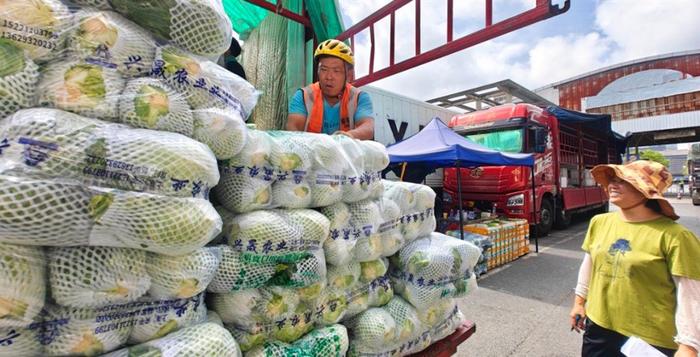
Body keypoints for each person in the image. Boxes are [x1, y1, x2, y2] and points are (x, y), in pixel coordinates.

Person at [569, 160, 700, 357]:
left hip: (650, 340)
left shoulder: (675, 236)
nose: (613, 185)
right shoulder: (599, 222)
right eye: (612, 180)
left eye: (624, 181)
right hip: (599, 326)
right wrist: (579, 302)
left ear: (646, 190)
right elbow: (589, 265)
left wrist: (689, 345)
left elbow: (690, 294)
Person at [286, 39, 374, 140]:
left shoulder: (359, 98)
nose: (329, 77)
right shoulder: (303, 96)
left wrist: (349, 136)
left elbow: (368, 127)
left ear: (348, 75)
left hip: (345, 153)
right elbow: (293, 128)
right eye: (323, 69)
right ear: (318, 71)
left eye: (336, 71)